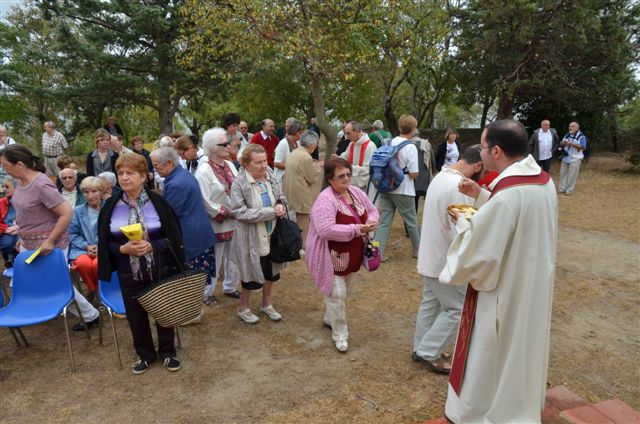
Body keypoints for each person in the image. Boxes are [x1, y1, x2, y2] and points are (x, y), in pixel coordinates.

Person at [441, 119, 557, 423]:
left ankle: (482, 412)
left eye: (482, 146)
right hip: (531, 282)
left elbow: (481, 254)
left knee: (492, 352)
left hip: (504, 291)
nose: (480, 151)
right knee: (522, 350)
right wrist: (481, 196)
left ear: (496, 151)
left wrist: (462, 224)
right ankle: (520, 407)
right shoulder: (541, 180)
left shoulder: (508, 195)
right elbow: (517, 218)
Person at [97, 154, 185, 374]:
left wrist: (152, 245)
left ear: (144, 176)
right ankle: (145, 355)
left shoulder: (159, 203)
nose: (124, 177)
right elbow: (105, 243)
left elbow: (174, 237)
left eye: (130, 173)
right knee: (135, 315)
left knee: (163, 309)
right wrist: (122, 249)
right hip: (128, 270)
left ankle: (168, 352)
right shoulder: (111, 206)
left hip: (159, 267)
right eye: (120, 173)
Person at [1, 145, 99, 330]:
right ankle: (89, 314)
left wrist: (51, 240)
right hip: (29, 245)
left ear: (19, 164)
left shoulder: (41, 184)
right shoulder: (21, 183)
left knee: (57, 285)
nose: (4, 169)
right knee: (51, 284)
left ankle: (90, 315)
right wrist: (21, 235)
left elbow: (66, 213)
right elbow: (28, 214)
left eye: (5, 165)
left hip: (48, 247)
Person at [413, 145, 483, 374]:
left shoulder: (441, 176)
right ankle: (427, 351)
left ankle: (421, 346)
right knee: (456, 309)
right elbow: (460, 231)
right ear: (478, 165)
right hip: (444, 258)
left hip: (431, 253)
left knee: (431, 303)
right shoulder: (460, 186)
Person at [306, 157, 379, 352]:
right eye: (341, 176)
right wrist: (357, 229)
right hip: (331, 256)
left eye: (348, 174)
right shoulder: (325, 200)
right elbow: (325, 230)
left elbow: (372, 210)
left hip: (353, 255)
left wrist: (371, 221)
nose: (346, 178)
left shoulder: (356, 192)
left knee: (344, 293)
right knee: (337, 295)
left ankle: (329, 317)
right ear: (330, 179)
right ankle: (340, 335)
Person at [228, 144, 289, 324]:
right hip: (251, 236)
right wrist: (270, 212)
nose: (263, 165)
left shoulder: (270, 175)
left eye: (265, 161)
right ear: (246, 164)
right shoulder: (239, 183)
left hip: (273, 232)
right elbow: (239, 212)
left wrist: (281, 205)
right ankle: (243, 308)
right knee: (250, 272)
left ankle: (266, 304)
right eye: (258, 162)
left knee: (271, 269)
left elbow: (281, 196)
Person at [151, 147, 217, 310]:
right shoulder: (182, 175)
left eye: (156, 165)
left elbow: (169, 216)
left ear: (169, 163)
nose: (155, 169)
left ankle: (191, 312)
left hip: (190, 238)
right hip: (198, 233)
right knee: (194, 281)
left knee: (191, 281)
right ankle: (193, 310)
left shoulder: (177, 184)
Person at [196, 128, 241, 303]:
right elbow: (205, 200)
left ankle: (230, 286)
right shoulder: (204, 170)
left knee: (234, 255)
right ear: (212, 147)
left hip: (235, 220)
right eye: (224, 144)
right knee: (214, 257)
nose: (228, 146)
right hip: (217, 223)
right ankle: (207, 293)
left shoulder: (230, 164)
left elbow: (238, 187)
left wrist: (240, 208)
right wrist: (225, 212)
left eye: (228, 143)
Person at [373, 114, 420, 260]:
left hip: (385, 187)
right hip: (403, 189)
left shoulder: (388, 142)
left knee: (384, 222)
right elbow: (413, 173)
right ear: (413, 129)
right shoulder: (410, 147)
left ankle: (376, 253)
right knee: (411, 222)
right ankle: (418, 251)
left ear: (400, 127)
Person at [282, 130, 323, 244]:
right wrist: (318, 166)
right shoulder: (306, 157)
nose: (316, 146)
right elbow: (312, 177)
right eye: (316, 144)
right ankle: (301, 245)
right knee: (303, 222)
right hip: (301, 193)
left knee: (296, 220)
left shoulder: (295, 152)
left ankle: (297, 243)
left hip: (291, 190)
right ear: (311, 144)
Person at [68, 177, 104, 294]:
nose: (90, 195)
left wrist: (100, 247)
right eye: (86, 192)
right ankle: (94, 290)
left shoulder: (108, 208)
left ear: (101, 192)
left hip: (104, 248)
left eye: (94, 191)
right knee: (83, 264)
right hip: (82, 249)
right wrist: (86, 246)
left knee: (97, 264)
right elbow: (72, 234)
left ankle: (102, 291)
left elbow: (114, 232)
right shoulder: (77, 211)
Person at [337, 120, 376, 194]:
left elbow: (367, 170)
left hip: (365, 188)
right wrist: (337, 159)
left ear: (357, 131)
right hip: (352, 186)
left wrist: (349, 168)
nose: (347, 137)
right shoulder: (352, 144)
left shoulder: (370, 146)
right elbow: (345, 157)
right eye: (345, 134)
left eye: (348, 133)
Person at [558, 121, 588, 195]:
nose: (570, 128)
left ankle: (569, 190)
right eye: (569, 126)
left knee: (572, 175)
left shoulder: (581, 136)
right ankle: (561, 189)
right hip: (565, 157)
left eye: (572, 126)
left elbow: (583, 147)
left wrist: (571, 144)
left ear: (577, 128)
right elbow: (560, 144)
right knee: (563, 174)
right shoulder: (567, 135)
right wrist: (563, 143)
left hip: (575, 158)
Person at [412, 128, 436, 213]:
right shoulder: (427, 144)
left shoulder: (408, 144)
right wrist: (433, 172)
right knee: (427, 200)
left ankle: (413, 220)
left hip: (412, 177)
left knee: (414, 201)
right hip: (425, 177)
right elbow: (432, 161)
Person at [273, 119, 304, 183]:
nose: (302, 135)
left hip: (294, 177)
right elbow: (276, 163)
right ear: (294, 131)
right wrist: (294, 166)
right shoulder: (283, 143)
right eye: (300, 133)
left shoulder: (298, 142)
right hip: (283, 179)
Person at [0, 178, 18, 267]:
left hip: (22, 229)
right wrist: (5, 229)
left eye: (7, 186)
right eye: (2, 186)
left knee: (23, 243)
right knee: (6, 244)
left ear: (16, 187)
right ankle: (9, 262)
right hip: (7, 231)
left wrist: (19, 227)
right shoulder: (1, 202)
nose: (4, 189)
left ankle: (19, 263)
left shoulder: (24, 201)